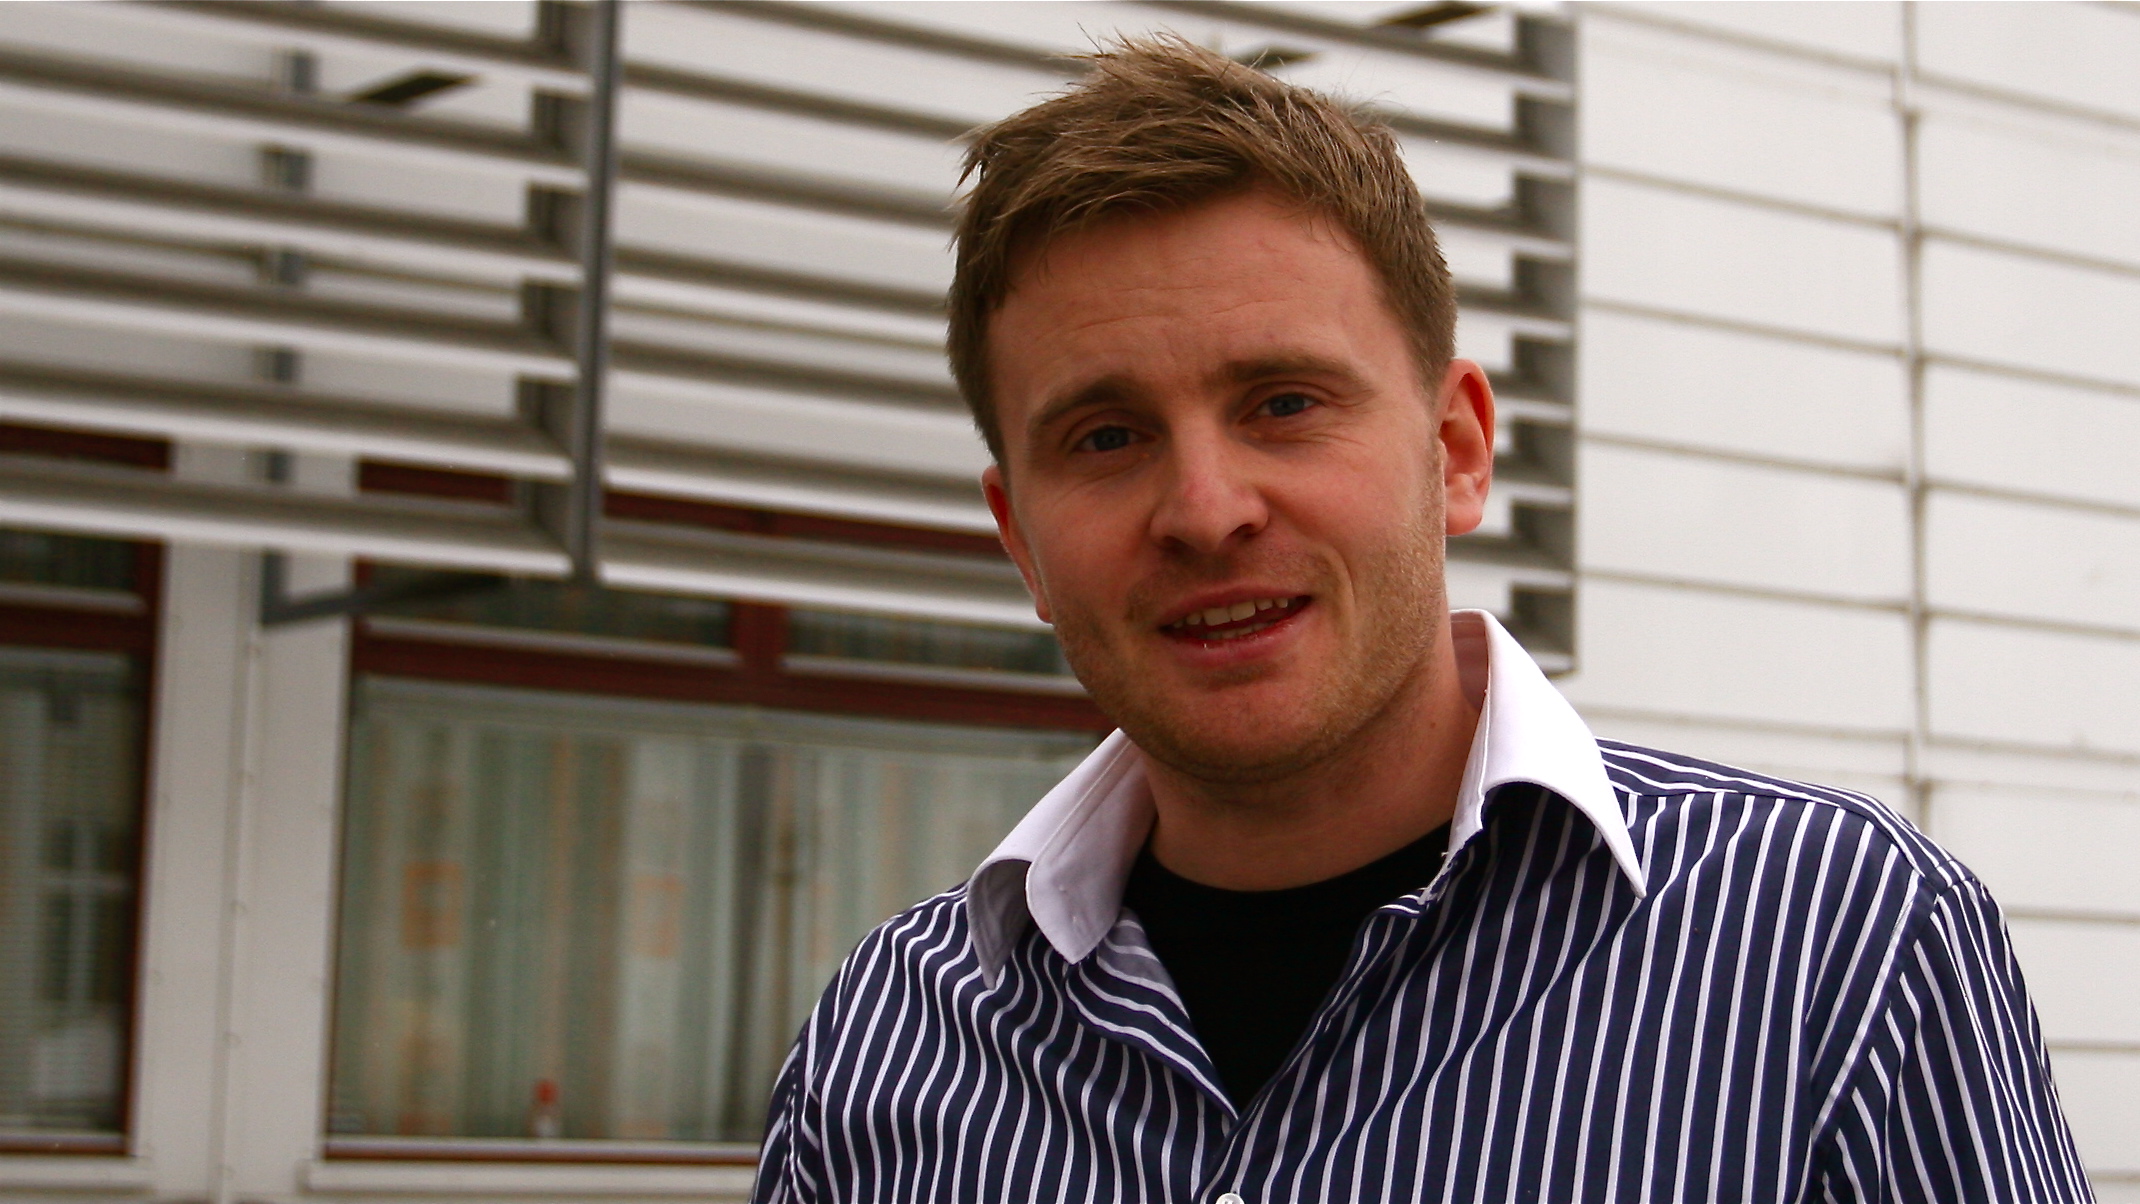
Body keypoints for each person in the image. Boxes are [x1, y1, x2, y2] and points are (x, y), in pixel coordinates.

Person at [750, 36, 2090, 1204]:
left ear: (1455, 450)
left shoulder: (1841, 954)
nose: (1205, 510)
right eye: (1106, 436)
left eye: (1284, 403)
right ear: (1020, 540)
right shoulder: (886, 1050)